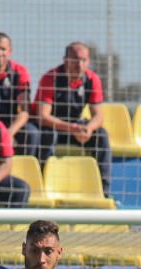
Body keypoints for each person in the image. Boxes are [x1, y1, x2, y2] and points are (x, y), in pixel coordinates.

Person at [33, 42, 112, 197]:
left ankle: (104, 191)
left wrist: (88, 128)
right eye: (75, 60)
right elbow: (43, 116)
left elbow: (99, 115)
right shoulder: (51, 78)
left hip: (76, 126)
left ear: (88, 62)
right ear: (65, 60)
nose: (79, 64)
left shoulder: (92, 79)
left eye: (84, 60)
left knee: (101, 135)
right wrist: (72, 128)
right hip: (53, 126)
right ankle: (43, 185)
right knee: (46, 136)